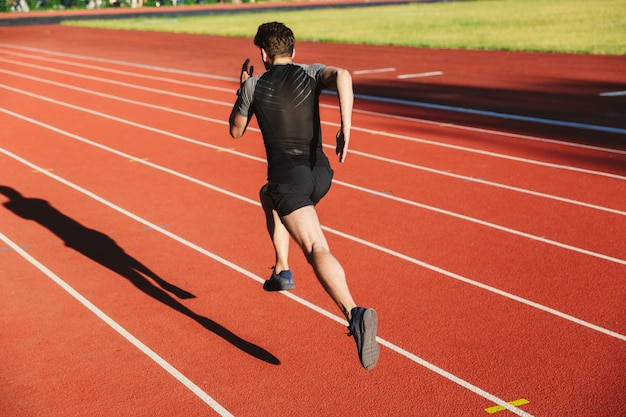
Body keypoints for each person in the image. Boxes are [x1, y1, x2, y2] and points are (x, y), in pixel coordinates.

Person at [229, 22, 379, 370]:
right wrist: (346, 126)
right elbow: (343, 75)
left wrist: (242, 92)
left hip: (291, 183)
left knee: (316, 247)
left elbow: (235, 132)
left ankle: (354, 313)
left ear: (264, 55)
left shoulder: (253, 85)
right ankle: (281, 269)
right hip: (320, 174)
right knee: (266, 195)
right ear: (293, 52)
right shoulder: (310, 73)